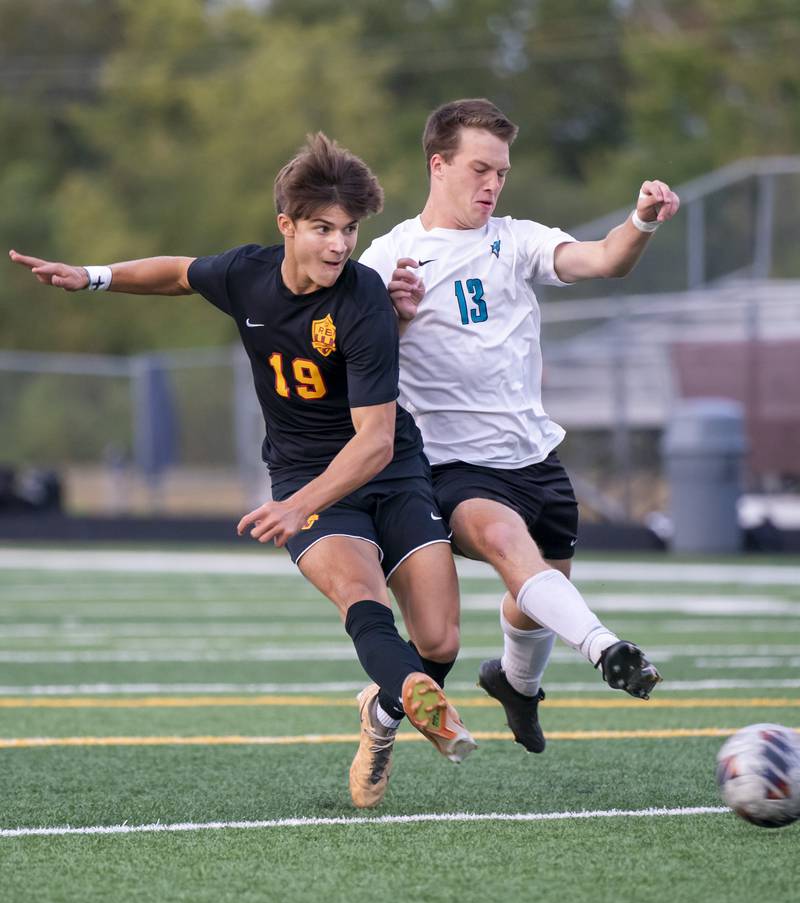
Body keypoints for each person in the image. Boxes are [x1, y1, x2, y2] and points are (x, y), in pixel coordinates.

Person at [9, 132, 476, 807]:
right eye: (323, 229)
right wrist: (94, 276)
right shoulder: (246, 274)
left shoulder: (364, 298)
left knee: (439, 638)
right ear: (286, 226)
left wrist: (293, 510)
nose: (341, 245)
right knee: (363, 602)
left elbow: (374, 443)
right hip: (304, 479)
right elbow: (177, 273)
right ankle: (409, 699)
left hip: (389, 472)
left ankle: (381, 715)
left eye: (348, 229)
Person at [360, 99, 680, 753]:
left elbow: (602, 260)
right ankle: (604, 648)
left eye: (501, 173)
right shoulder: (390, 256)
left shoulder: (516, 238)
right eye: (480, 169)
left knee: (535, 591)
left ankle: (516, 685)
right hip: (452, 466)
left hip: (535, 458)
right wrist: (393, 319)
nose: (492, 184)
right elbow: (357, 358)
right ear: (438, 163)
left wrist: (640, 221)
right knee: (511, 548)